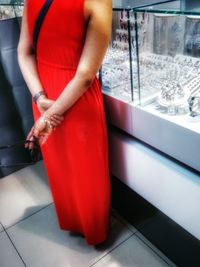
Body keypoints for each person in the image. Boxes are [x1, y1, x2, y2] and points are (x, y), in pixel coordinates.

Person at [17, 0, 112, 245]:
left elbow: (24, 52)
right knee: (88, 171)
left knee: (62, 169)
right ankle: (94, 231)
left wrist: (39, 99)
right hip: (74, 101)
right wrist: (51, 112)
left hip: (44, 95)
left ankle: (74, 222)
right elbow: (85, 75)